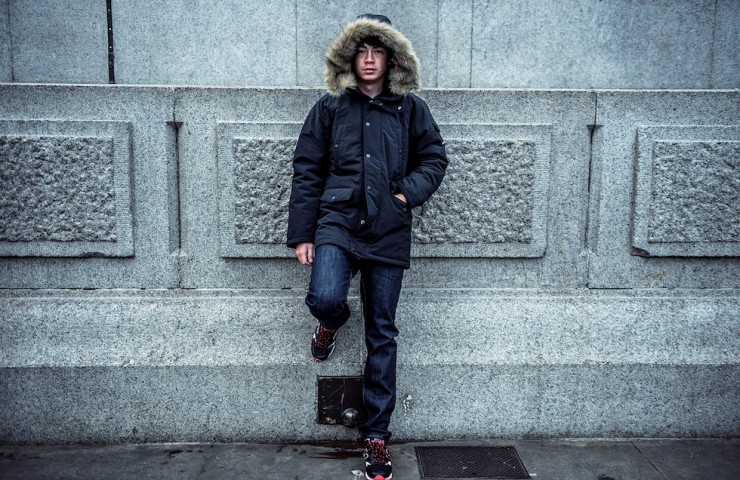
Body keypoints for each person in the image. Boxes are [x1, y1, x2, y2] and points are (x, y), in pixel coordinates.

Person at [287, 13, 448, 480]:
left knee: (382, 332)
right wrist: (303, 233)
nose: (371, 59)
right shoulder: (330, 106)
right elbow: (307, 169)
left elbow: (434, 158)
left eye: (379, 51)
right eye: (363, 50)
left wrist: (405, 195)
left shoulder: (411, 108)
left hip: (388, 228)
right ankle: (329, 324)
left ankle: (376, 435)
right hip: (337, 222)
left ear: (393, 58)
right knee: (325, 296)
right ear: (350, 56)